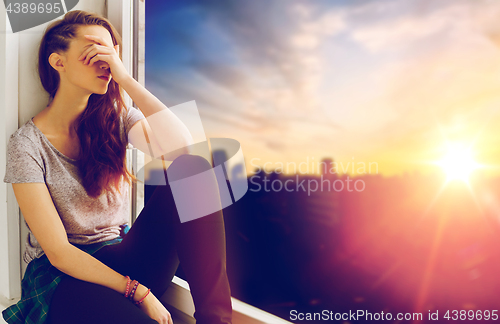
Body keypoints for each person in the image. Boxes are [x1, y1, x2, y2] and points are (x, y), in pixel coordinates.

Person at [1, 10, 232, 324]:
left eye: (112, 53)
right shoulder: (26, 144)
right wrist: (139, 293)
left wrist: (126, 79)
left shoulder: (117, 116)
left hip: (123, 256)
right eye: (96, 51)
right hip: (68, 277)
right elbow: (59, 252)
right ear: (59, 62)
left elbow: (185, 150)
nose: (106, 61)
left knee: (194, 170)